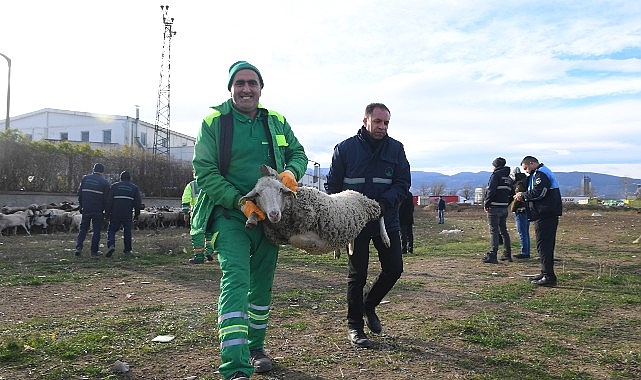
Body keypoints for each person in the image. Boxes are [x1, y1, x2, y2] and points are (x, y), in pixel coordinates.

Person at [190, 60, 308, 380]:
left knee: (262, 286)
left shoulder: (276, 121)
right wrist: (239, 202)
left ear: (260, 88)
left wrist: (289, 174)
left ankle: (256, 347)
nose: (246, 89)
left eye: (252, 83)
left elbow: (299, 154)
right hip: (230, 217)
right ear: (230, 89)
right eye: (239, 83)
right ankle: (235, 365)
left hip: (270, 221)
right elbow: (205, 172)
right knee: (237, 283)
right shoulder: (214, 122)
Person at [326, 102, 411, 349]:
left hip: (387, 220)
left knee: (394, 268)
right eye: (377, 122)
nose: (382, 127)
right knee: (357, 275)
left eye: (386, 123)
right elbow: (332, 186)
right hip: (355, 223)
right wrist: (346, 210)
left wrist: (384, 204)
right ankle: (355, 326)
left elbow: (402, 183)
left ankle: (369, 304)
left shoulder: (396, 149)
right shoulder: (345, 149)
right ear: (365, 121)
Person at [514, 156, 562, 287]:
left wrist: (522, 195)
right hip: (544, 213)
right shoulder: (538, 173)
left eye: (526, 168)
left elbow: (539, 192)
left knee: (544, 245)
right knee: (543, 246)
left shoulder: (541, 174)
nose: (526, 171)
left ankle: (549, 276)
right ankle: (545, 272)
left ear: (532, 163)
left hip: (545, 213)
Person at [482, 157, 515, 264]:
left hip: (494, 207)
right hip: (504, 208)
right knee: (504, 231)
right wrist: (506, 204)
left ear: (495, 166)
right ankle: (507, 254)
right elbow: (512, 194)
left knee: (494, 231)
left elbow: (491, 190)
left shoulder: (495, 175)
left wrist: (486, 203)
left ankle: (493, 254)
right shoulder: (509, 178)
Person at [75, 163, 110, 257]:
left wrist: (81, 206)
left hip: (86, 208)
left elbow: (79, 194)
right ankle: (94, 251)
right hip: (98, 210)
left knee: (83, 229)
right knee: (96, 230)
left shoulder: (85, 178)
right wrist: (107, 212)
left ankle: (78, 247)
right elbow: (107, 199)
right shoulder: (105, 182)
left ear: (93, 169)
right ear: (102, 171)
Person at [105, 171, 142, 257]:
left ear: (120, 178)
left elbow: (109, 201)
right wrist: (137, 214)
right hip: (127, 213)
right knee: (127, 231)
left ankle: (111, 245)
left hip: (115, 212)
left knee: (111, 230)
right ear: (129, 178)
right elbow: (137, 202)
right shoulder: (134, 188)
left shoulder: (114, 186)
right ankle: (127, 250)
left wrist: (107, 212)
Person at [181, 169, 214, 264]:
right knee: (210, 233)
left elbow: (186, 199)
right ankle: (210, 252)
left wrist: (186, 212)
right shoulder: (212, 183)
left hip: (197, 213)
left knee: (197, 233)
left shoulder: (191, 185)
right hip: (211, 212)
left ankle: (199, 257)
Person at [510, 167, 531, 259]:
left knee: (522, 232)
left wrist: (513, 208)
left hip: (520, 210)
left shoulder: (519, 184)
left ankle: (525, 252)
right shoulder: (527, 181)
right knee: (525, 232)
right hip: (527, 209)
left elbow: (517, 199)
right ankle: (526, 251)